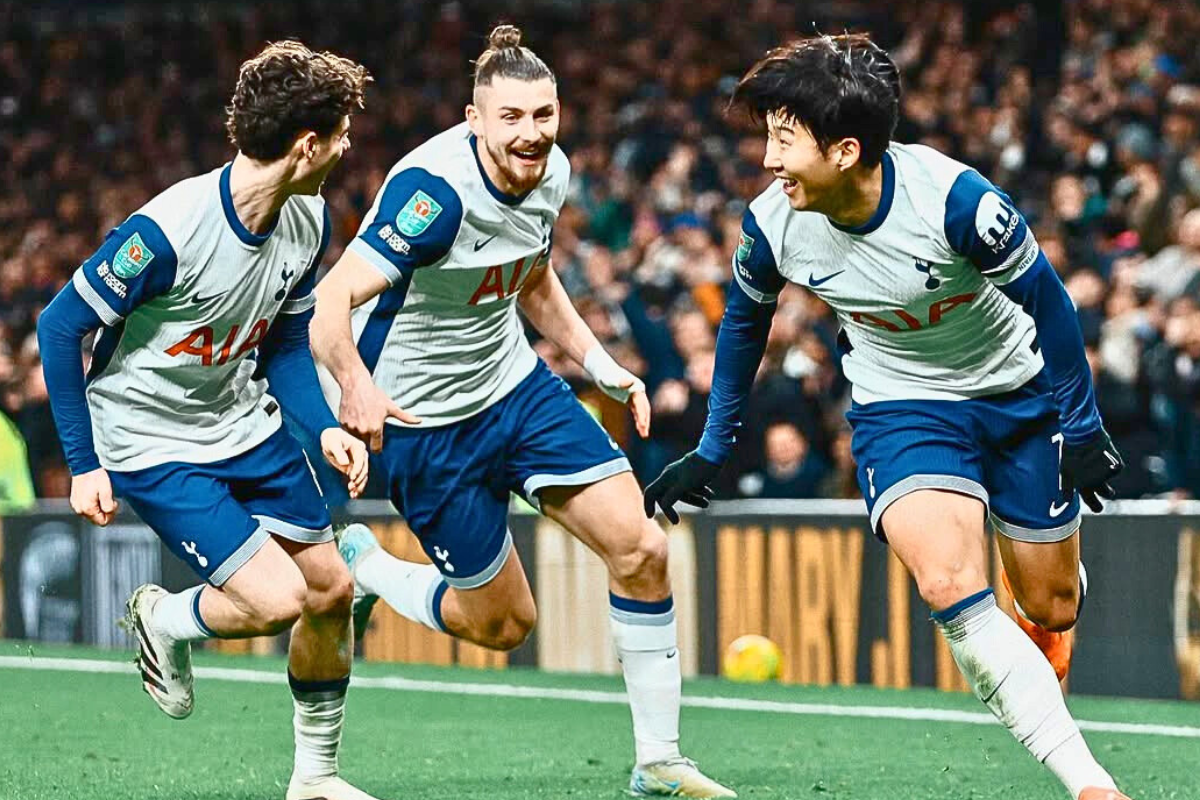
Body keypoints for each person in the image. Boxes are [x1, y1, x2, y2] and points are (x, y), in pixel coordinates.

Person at [644, 34, 1131, 800]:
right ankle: (1090, 784)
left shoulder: (958, 203)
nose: (768, 160)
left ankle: (1041, 603)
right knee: (947, 583)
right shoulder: (775, 222)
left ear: (845, 150)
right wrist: (713, 444)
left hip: (1016, 395)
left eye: (783, 138)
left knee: (1050, 602)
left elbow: (1053, 305)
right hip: (902, 405)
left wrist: (1083, 424)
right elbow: (744, 326)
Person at [311, 24, 734, 799]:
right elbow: (330, 301)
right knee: (502, 624)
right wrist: (353, 384)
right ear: (475, 120)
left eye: (543, 115)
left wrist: (603, 368)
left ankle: (659, 761)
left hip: (515, 389)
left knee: (641, 548)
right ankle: (368, 567)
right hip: (423, 426)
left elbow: (530, 279)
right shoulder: (430, 196)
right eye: (510, 118)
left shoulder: (553, 171)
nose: (531, 133)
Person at [37, 41, 378, 800]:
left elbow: (286, 341)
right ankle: (162, 616)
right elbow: (61, 329)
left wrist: (320, 425)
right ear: (307, 145)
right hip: (149, 437)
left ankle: (315, 778)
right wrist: (85, 462)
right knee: (279, 599)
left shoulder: (309, 221)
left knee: (330, 592)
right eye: (344, 134)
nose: (350, 146)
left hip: (239, 418)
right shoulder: (166, 232)